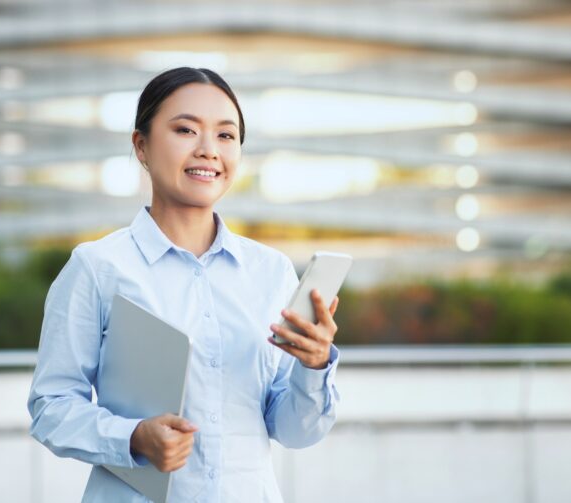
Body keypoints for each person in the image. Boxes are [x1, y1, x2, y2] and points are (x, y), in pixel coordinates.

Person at [27, 67, 341, 502]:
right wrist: (133, 437)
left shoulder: (271, 272)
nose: (208, 150)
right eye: (185, 129)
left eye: (226, 136)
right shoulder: (97, 267)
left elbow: (294, 430)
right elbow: (51, 408)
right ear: (142, 146)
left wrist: (314, 367)